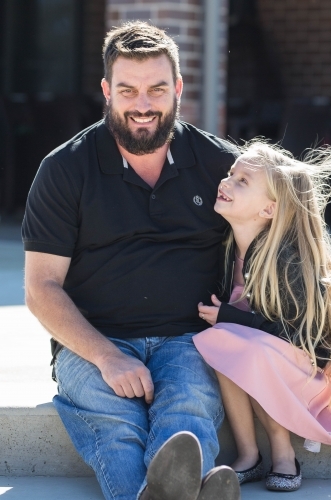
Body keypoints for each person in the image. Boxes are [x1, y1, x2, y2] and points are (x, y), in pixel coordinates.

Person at [22, 21, 240, 500]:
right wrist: (106, 356)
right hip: (93, 340)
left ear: (178, 88)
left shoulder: (219, 164)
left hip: (188, 337)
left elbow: (270, 243)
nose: (143, 105)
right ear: (106, 90)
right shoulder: (64, 169)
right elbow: (41, 289)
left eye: (157, 89)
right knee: (115, 420)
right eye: (128, 90)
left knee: (188, 408)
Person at [194, 140, 331, 492]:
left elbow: (299, 337)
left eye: (243, 181)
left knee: (240, 343)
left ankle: (283, 454)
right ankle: (248, 454)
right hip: (264, 360)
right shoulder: (227, 249)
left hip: (310, 375)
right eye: (231, 174)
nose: (227, 182)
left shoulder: (287, 261)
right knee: (223, 341)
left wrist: (232, 317)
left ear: (269, 209)